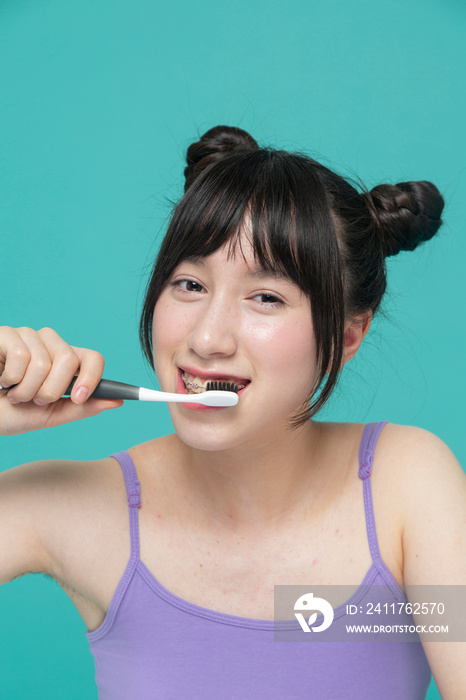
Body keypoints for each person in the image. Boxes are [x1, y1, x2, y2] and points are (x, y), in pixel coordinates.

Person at [1, 126, 465, 699]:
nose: (207, 337)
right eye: (190, 284)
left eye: (266, 296)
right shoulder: (69, 506)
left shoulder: (408, 484)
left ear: (346, 336)